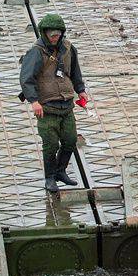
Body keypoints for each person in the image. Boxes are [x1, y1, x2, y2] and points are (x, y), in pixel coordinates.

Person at [18, 13, 89, 192]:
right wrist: (34, 101)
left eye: (58, 33)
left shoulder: (68, 48)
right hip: (46, 107)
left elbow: (75, 71)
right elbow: (26, 78)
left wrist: (81, 90)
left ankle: (60, 171)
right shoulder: (36, 52)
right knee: (50, 145)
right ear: (44, 33)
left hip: (66, 103)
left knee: (70, 140)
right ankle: (50, 178)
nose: (55, 36)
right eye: (51, 34)